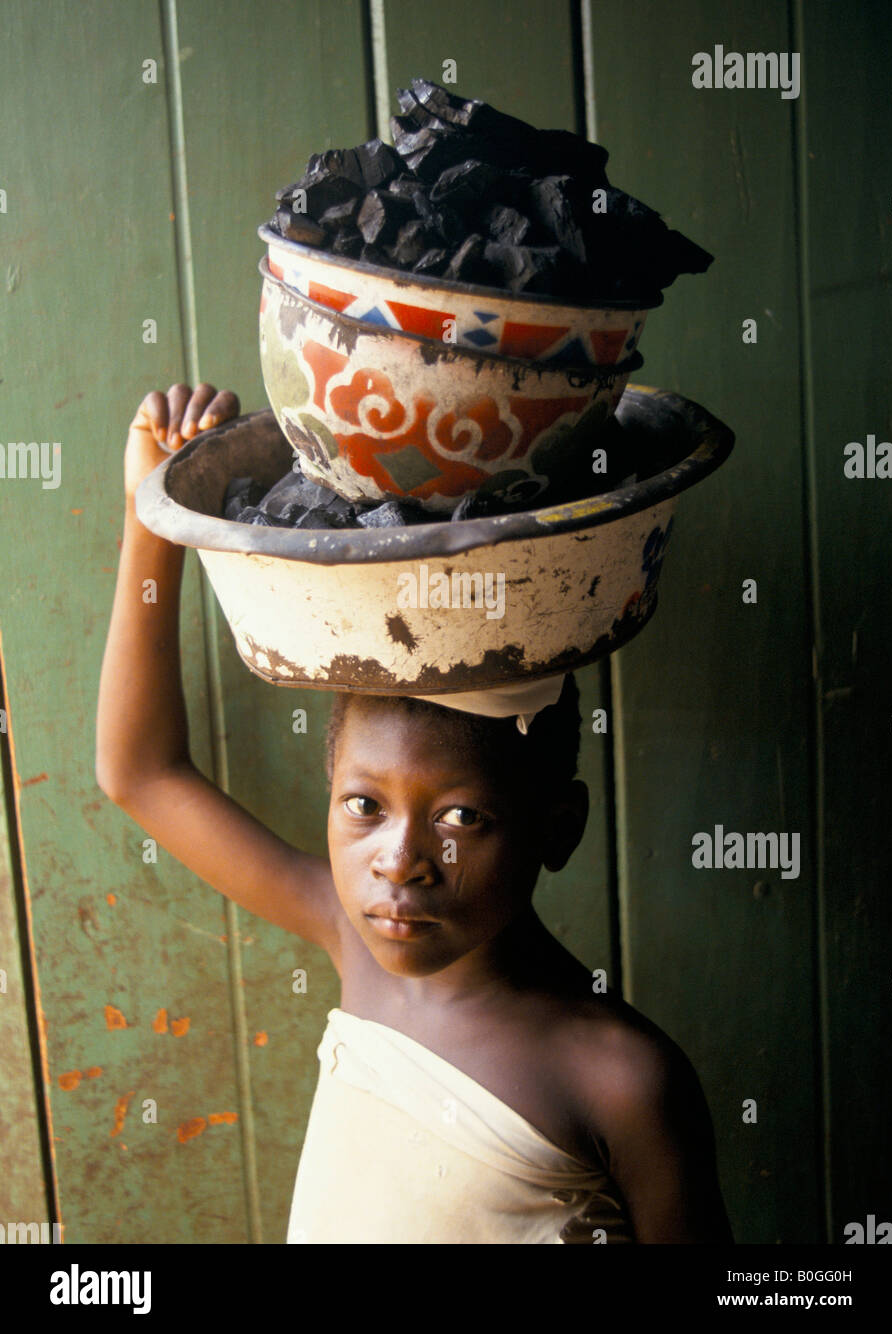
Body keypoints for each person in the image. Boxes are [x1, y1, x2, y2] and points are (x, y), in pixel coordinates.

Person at [96, 382, 733, 1245]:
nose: (401, 861)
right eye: (363, 805)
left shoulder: (622, 1080)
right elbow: (141, 773)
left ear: (560, 826)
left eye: (464, 818)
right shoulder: (356, 943)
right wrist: (153, 515)